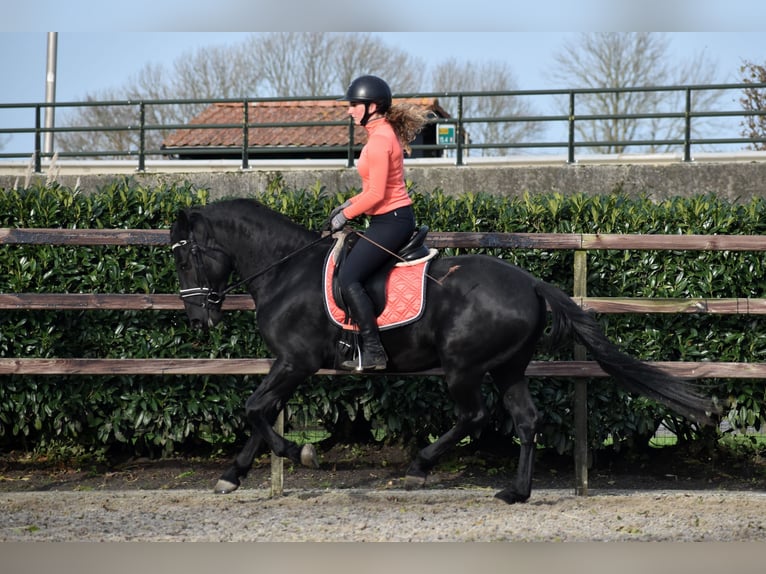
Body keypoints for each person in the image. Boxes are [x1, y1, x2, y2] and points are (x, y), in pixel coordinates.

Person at [329, 74, 430, 371]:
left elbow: (376, 194)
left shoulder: (380, 141)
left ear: (371, 106)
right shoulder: (382, 135)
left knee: (348, 278)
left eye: (354, 105)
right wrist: (349, 203)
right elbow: (372, 189)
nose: (349, 110)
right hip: (387, 219)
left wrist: (346, 215)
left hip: (391, 222)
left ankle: (373, 351)